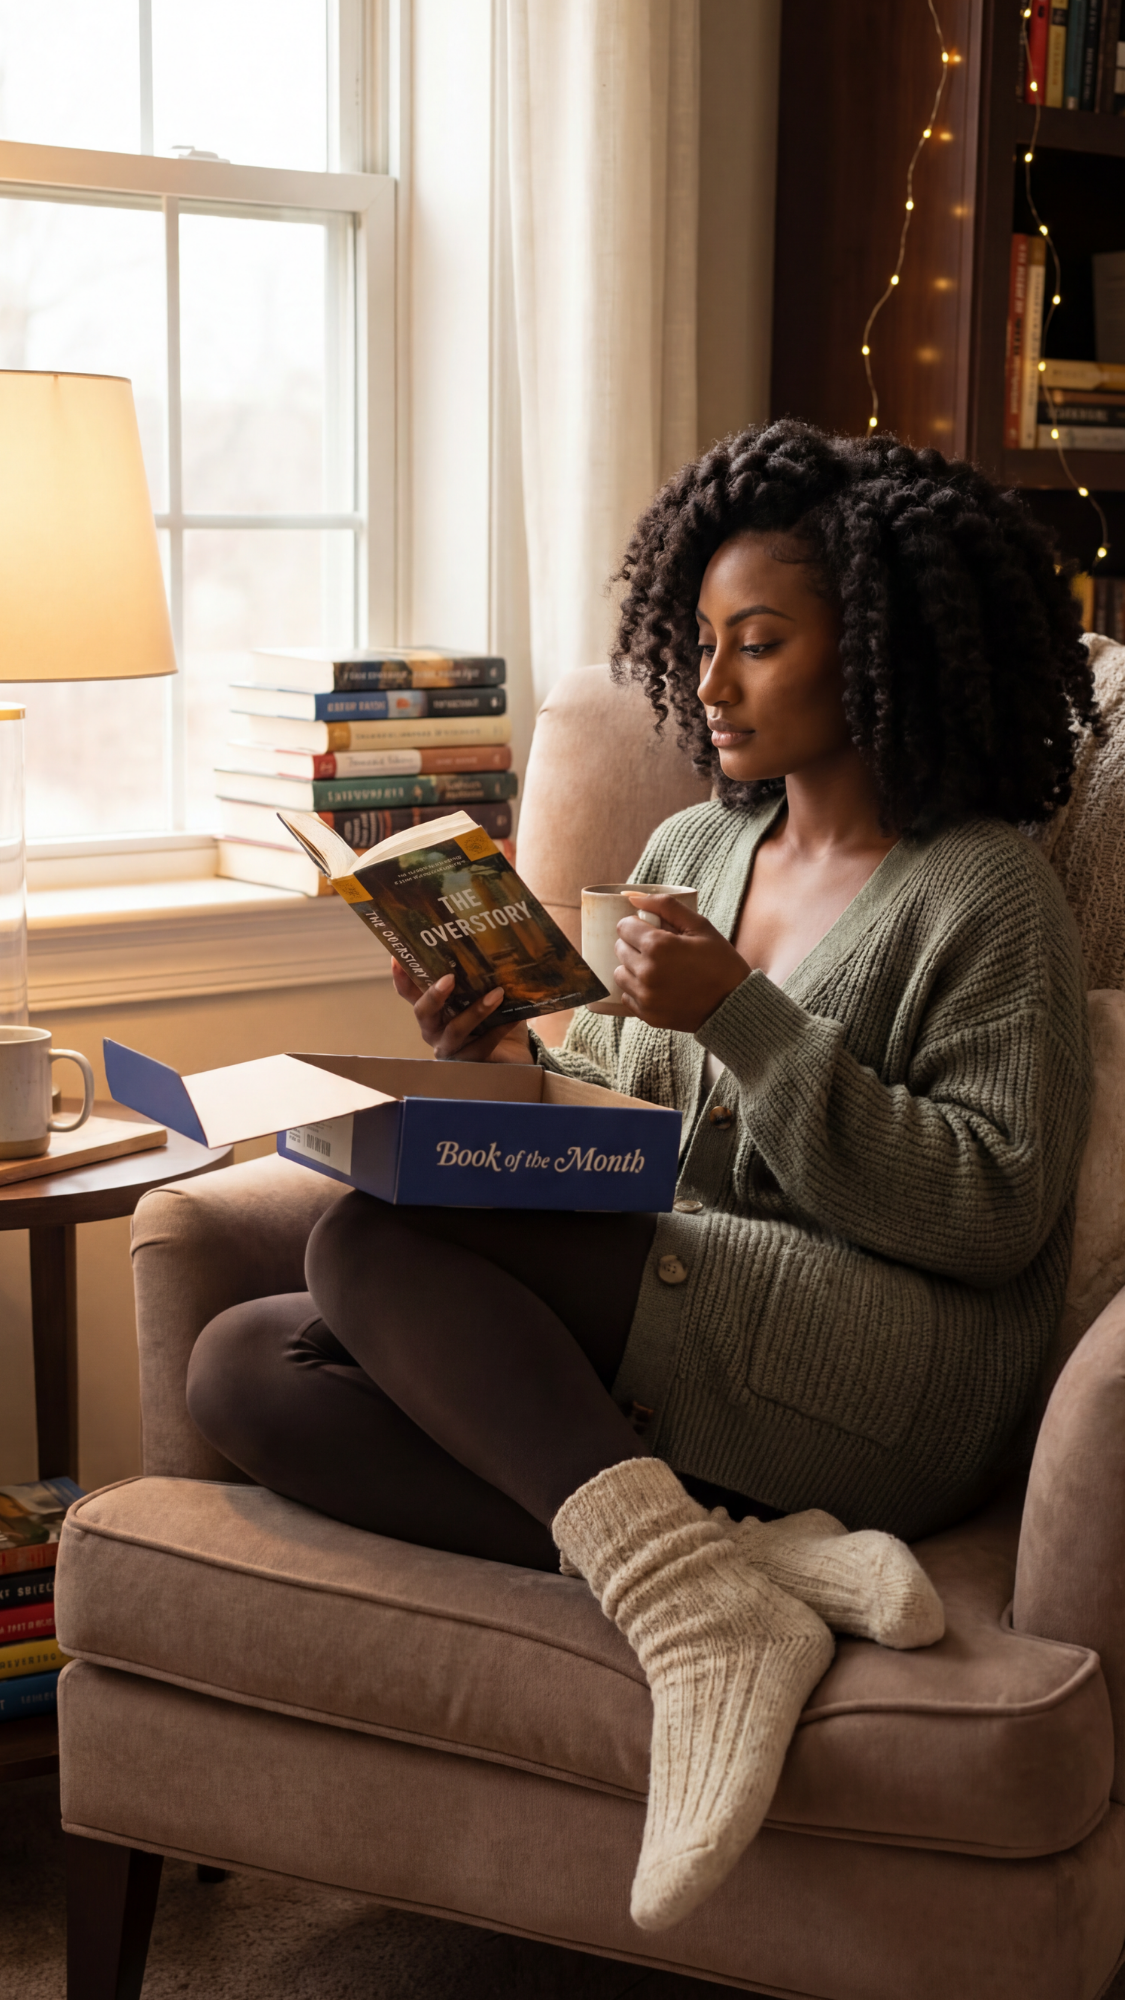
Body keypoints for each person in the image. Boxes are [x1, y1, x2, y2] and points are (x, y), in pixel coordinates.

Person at [187, 422, 1095, 1932]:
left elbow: (993, 1211)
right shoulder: (692, 845)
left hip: (893, 1359)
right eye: (704, 644)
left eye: (761, 644)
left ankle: (699, 1613)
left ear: (873, 650)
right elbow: (622, 1132)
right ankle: (737, 1573)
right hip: (694, 1294)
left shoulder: (985, 893)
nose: (716, 686)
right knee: (243, 1368)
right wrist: (489, 1062)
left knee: (363, 1249)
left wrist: (737, 1013)